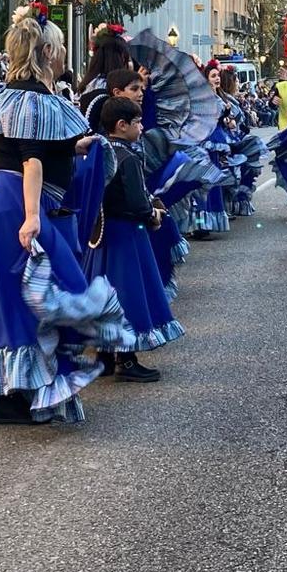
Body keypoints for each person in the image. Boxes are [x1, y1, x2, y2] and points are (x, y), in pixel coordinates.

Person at [0, 11, 136, 426]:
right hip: (18, 205)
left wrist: (78, 147)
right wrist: (32, 218)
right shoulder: (34, 101)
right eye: (62, 46)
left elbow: (38, 149)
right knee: (42, 296)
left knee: (11, 299)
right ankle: (18, 393)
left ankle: (14, 392)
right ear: (48, 52)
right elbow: (31, 159)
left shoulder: (11, 94)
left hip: (2, 203)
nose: (66, 52)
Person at [86, 95, 182, 380]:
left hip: (101, 233)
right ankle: (126, 360)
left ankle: (103, 356)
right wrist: (152, 214)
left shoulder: (98, 151)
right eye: (138, 122)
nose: (141, 127)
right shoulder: (127, 156)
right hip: (127, 234)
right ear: (122, 125)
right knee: (128, 295)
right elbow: (137, 201)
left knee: (104, 293)